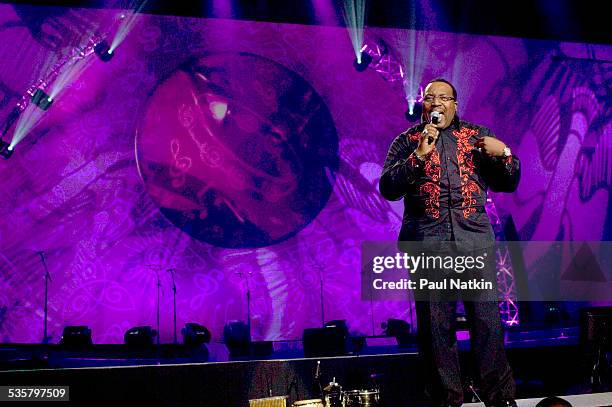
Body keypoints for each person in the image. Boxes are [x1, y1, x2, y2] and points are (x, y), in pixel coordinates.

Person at [379, 78, 520, 407]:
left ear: (455, 105)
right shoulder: (407, 141)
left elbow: (508, 182)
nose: (437, 103)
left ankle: (499, 398)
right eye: (431, 98)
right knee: (435, 329)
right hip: (429, 243)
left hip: (474, 242)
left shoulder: (476, 136)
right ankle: (447, 399)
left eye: (444, 98)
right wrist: (418, 157)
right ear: (423, 105)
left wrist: (506, 154)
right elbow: (387, 187)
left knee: (486, 323)